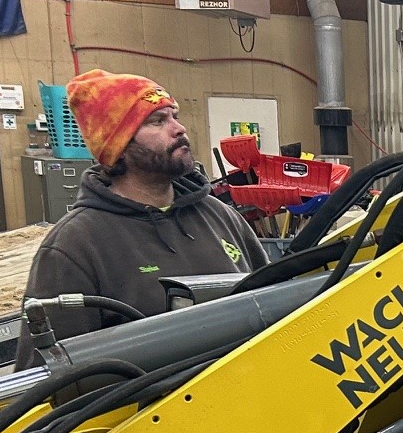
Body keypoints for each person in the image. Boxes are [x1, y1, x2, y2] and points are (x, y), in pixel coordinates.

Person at [15, 69, 266, 364]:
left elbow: (272, 305)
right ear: (118, 146)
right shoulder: (74, 246)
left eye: (174, 116)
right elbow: (46, 377)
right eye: (157, 121)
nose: (179, 129)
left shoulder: (219, 216)